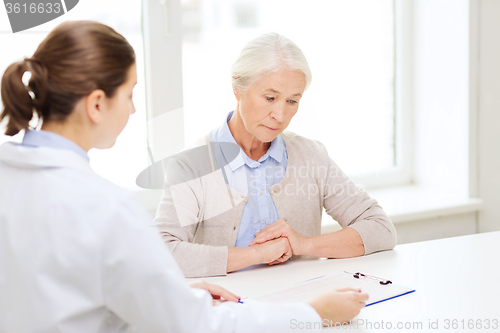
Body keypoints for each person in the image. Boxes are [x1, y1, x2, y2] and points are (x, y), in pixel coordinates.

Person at [0, 21, 368, 332]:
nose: (132, 109)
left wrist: (178, 294)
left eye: (292, 100)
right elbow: (191, 325)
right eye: (129, 94)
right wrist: (313, 313)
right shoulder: (106, 208)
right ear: (97, 104)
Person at [155, 32, 397, 278]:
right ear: (238, 87)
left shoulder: (311, 156)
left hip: (301, 304)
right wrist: (257, 255)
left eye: (292, 101)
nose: (280, 115)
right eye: (270, 98)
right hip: (230, 311)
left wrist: (303, 245)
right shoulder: (190, 166)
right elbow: (163, 253)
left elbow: (380, 229)